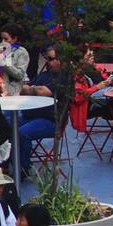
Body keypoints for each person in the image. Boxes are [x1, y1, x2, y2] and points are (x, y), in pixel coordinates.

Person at [12, 48, 66, 176]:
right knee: (8, 126)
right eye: (47, 58)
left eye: (52, 59)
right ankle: (11, 162)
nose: (48, 62)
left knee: (22, 133)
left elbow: (43, 91)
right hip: (31, 115)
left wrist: (31, 89)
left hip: (52, 121)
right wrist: (34, 89)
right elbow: (23, 89)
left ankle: (22, 170)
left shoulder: (65, 78)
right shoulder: (44, 75)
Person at [0, 23, 29, 97]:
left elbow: (20, 74)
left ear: (15, 38)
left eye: (6, 39)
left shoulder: (21, 52)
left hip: (11, 90)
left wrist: (5, 63)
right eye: (1, 38)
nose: (3, 41)